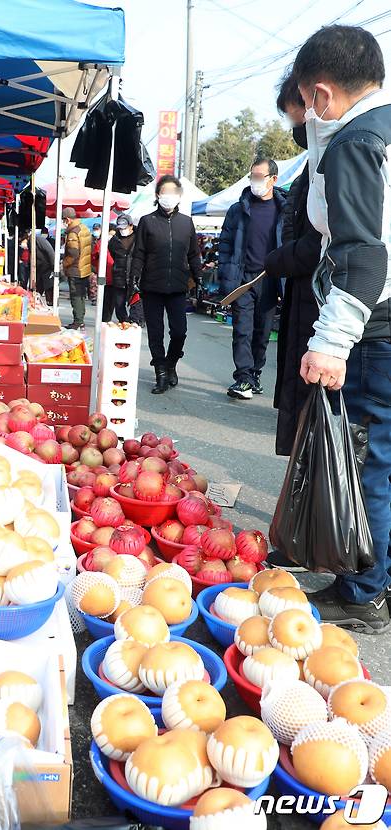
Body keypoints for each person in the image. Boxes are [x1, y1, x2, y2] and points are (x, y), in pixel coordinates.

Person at [291, 25, 391, 632]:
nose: (307, 115)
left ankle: (361, 589)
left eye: (306, 103)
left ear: (322, 95)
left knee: (366, 461)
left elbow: (362, 252)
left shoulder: (355, 140)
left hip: (375, 329)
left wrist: (331, 341)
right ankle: (378, 573)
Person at [264, 72, 322, 457]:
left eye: (294, 115)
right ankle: (301, 510)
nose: (294, 127)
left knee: (328, 439)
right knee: (306, 431)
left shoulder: (345, 155)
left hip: (324, 311)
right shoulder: (313, 161)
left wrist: (279, 258)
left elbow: (327, 242)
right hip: (303, 303)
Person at [218, 158, 286, 400]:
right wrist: (227, 280)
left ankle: (255, 373)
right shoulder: (238, 209)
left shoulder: (285, 210)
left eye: (260, 176)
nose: (255, 181)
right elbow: (225, 246)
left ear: (273, 179)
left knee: (262, 332)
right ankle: (243, 378)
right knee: (242, 330)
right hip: (243, 279)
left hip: (270, 280)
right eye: (252, 177)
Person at [130, 175, 203, 393]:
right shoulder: (147, 221)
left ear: (179, 196)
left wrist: (198, 277)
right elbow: (139, 253)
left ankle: (171, 363)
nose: (168, 197)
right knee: (155, 332)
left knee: (179, 331)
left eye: (173, 192)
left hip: (178, 287)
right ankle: (160, 373)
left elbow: (194, 253)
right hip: (152, 286)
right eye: (164, 192)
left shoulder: (186, 222)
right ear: (157, 195)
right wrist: (134, 276)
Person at [62, 207, 92, 330]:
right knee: (81, 296)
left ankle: (78, 321)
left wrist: (64, 264)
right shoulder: (84, 228)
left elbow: (73, 253)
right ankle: (80, 320)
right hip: (84, 268)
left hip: (75, 269)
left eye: (64, 220)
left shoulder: (73, 233)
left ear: (68, 219)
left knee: (76, 297)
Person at [107, 214, 136, 323]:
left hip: (135, 275)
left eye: (124, 228)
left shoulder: (139, 238)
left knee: (136, 302)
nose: (122, 230)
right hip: (119, 274)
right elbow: (113, 253)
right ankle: (124, 321)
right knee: (119, 303)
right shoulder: (114, 241)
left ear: (131, 226)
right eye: (120, 228)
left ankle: (135, 322)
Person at [31, 229, 56, 305]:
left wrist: (53, 265)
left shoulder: (43, 241)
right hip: (40, 267)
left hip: (47, 266)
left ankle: (50, 301)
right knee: (40, 284)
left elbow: (50, 252)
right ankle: (37, 300)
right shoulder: (35, 241)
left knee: (48, 285)